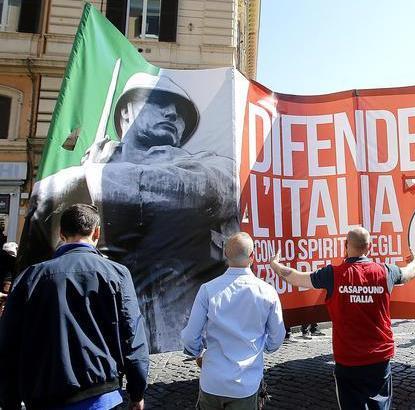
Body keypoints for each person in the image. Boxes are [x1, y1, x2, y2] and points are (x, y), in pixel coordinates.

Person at [20, 72, 237, 352]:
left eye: (181, 112)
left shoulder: (209, 164)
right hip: (93, 339)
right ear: (126, 112)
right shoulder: (78, 172)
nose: (173, 114)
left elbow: (209, 190)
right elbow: (37, 258)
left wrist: (91, 177)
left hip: (178, 339)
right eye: (159, 102)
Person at [0, 204, 149, 409]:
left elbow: (8, 343)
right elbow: (132, 337)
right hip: (100, 395)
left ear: (61, 234)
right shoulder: (117, 274)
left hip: (45, 394)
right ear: (97, 232)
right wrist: (137, 391)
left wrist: (10, 400)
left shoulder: (31, 277)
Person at [269, 227, 415, 409]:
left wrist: (274, 265)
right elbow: (410, 272)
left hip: (348, 358)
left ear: (346, 245)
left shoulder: (333, 274)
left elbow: (296, 278)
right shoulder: (385, 271)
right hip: (379, 356)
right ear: (369, 247)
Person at [181, 232, 285, 410]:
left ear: (226, 255)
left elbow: (191, 337)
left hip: (212, 382)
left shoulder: (208, 289)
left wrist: (199, 355)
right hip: (246, 384)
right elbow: (277, 338)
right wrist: (263, 347)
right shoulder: (267, 292)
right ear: (252, 257)